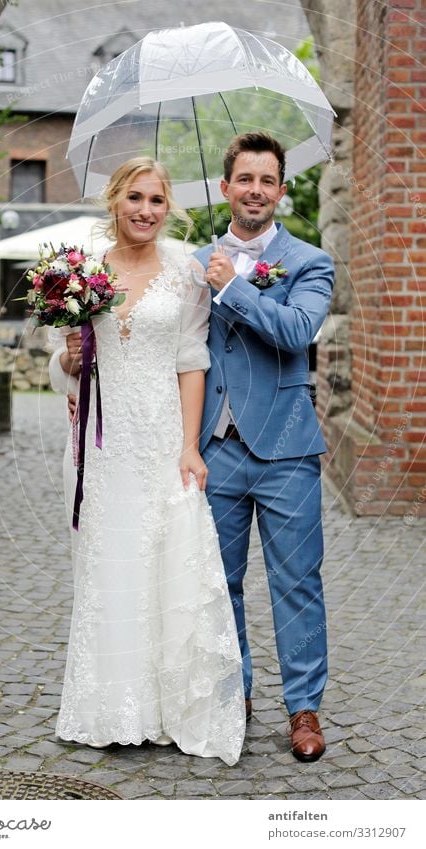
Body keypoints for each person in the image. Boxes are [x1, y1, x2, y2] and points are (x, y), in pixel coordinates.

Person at [47, 157, 245, 765]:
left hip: (161, 438)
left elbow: (192, 360)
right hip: (101, 449)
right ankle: (109, 706)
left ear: (168, 208)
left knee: (166, 560)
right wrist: (69, 364)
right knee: (106, 566)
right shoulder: (79, 272)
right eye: (135, 198)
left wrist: (190, 445)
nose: (145, 211)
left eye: (157, 201)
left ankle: (166, 705)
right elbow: (60, 361)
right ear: (114, 200)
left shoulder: (187, 273)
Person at [193, 132, 334, 762]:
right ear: (225, 188)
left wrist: (235, 289)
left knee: (297, 581)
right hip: (214, 447)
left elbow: (298, 330)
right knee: (220, 583)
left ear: (281, 190)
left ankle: (304, 707)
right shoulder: (194, 260)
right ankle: (237, 693)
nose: (256, 190)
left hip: (286, 449)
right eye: (244, 179)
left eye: (267, 180)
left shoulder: (309, 262)